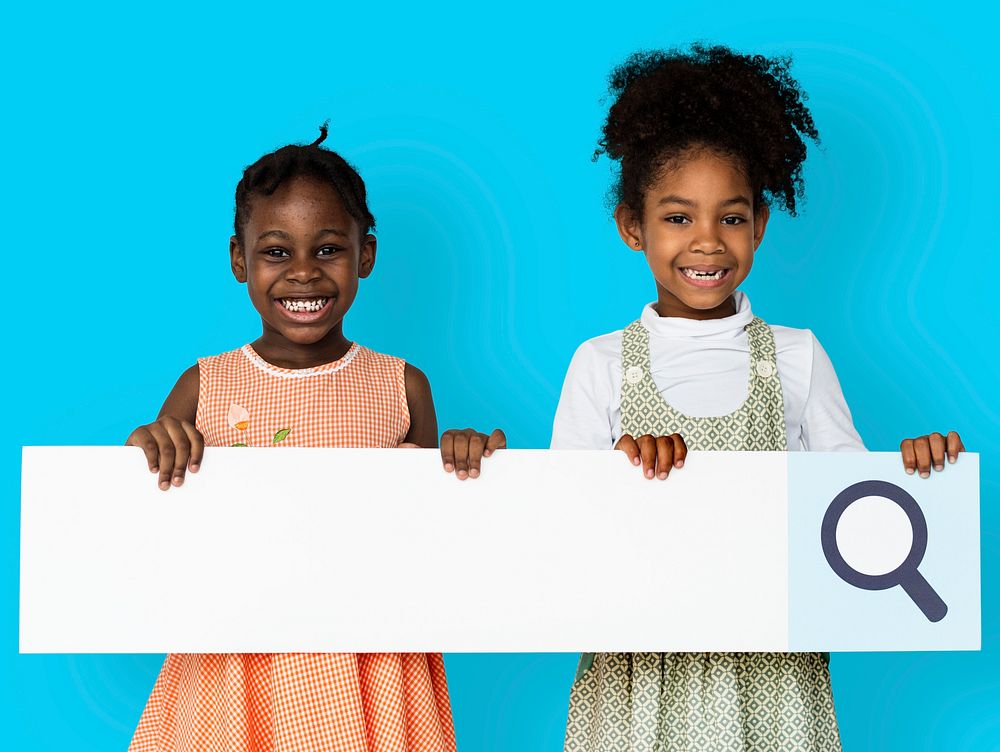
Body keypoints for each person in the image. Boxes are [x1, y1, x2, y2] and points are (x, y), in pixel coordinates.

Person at [551, 44, 965, 751]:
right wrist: (616, 473)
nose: (707, 242)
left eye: (732, 218)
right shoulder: (601, 364)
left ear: (761, 224)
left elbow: (857, 519)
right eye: (678, 218)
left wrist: (914, 473)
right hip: (640, 678)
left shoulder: (798, 357)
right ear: (632, 227)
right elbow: (561, 526)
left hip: (773, 674)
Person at [125, 125, 504, 752]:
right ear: (239, 259)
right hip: (235, 661)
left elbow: (430, 535)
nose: (303, 273)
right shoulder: (205, 383)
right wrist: (151, 444)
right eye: (276, 252)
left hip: (370, 662)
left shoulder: (401, 384)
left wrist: (460, 462)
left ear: (366, 256)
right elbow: (148, 521)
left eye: (327, 250)